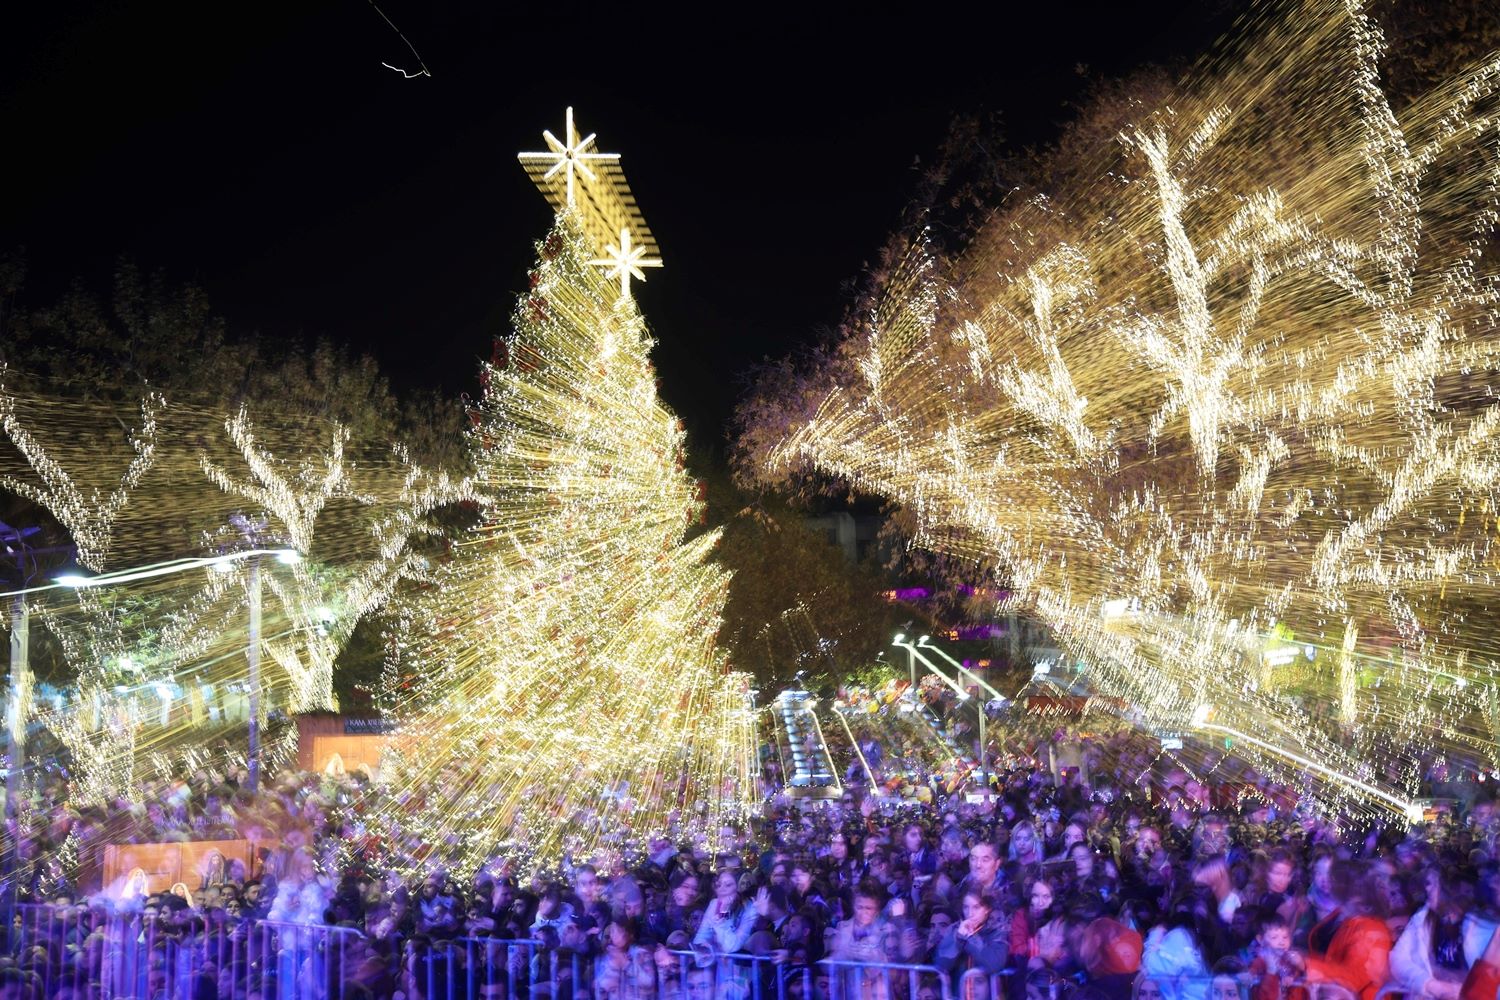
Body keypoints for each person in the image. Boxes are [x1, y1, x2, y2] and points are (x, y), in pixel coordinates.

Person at [936, 889, 1010, 978]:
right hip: (958, 990)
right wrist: (958, 939)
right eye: (966, 907)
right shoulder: (954, 929)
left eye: (976, 907)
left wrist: (971, 938)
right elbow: (941, 965)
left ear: (987, 909)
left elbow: (995, 965)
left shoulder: (997, 931)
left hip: (987, 990)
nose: (970, 913)